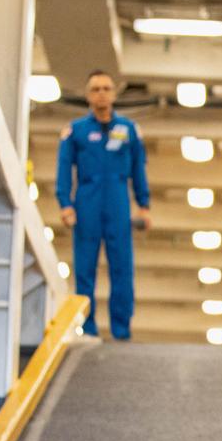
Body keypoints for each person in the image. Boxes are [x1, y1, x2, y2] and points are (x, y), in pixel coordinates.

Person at [55, 69, 150, 340]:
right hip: (87, 202)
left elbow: (138, 169)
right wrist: (65, 203)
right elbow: (64, 168)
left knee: (122, 266)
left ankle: (122, 328)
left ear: (114, 93)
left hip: (118, 203)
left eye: (106, 88)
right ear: (87, 95)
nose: (101, 94)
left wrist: (144, 204)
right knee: (85, 267)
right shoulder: (76, 131)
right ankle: (88, 328)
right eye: (96, 89)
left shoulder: (128, 130)